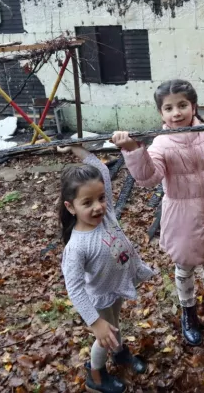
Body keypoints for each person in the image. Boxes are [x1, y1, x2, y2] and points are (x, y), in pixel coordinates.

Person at [112, 80, 204, 346]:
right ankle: (188, 313)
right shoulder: (161, 144)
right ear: (161, 113)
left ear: (194, 106)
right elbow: (148, 177)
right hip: (182, 215)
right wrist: (133, 150)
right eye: (168, 108)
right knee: (185, 267)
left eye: (182, 105)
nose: (176, 113)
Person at [60, 146, 154, 393]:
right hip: (99, 298)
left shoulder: (107, 212)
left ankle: (120, 353)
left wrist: (75, 148)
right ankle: (96, 376)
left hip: (116, 287)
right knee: (104, 336)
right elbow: (75, 290)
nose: (98, 207)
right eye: (87, 203)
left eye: (101, 198)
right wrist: (94, 322)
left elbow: (101, 169)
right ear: (71, 207)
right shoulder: (77, 246)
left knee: (115, 326)